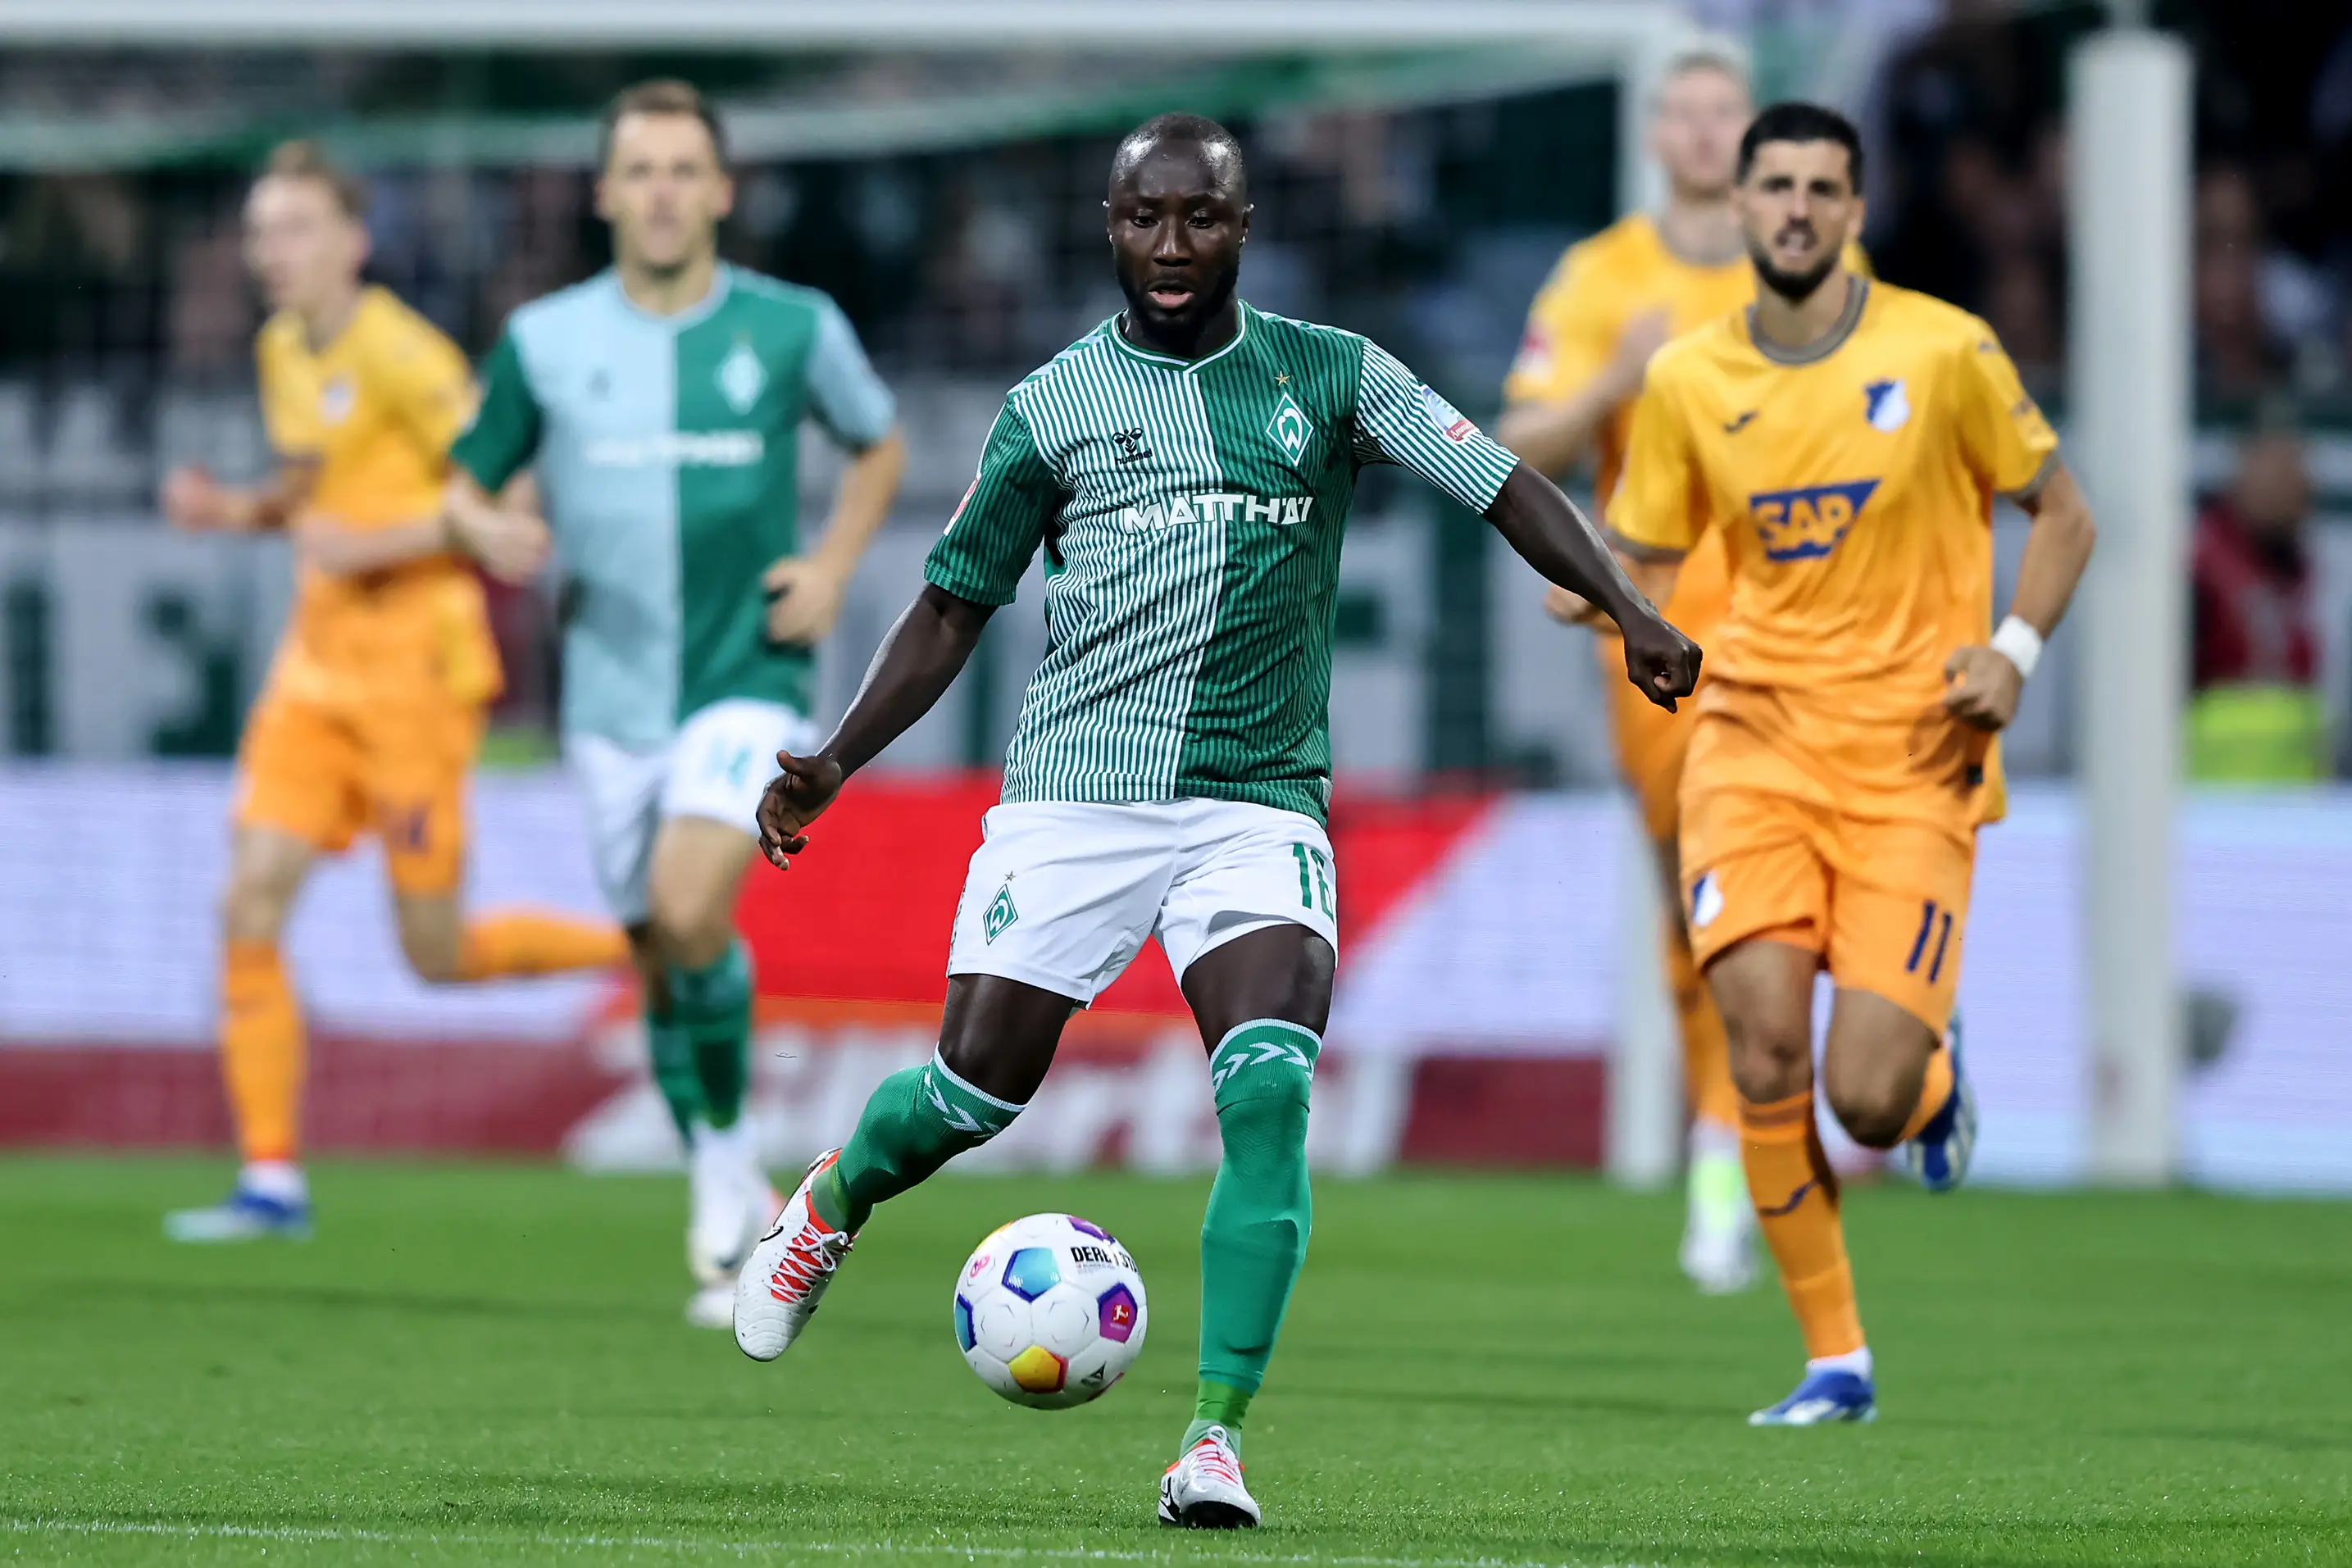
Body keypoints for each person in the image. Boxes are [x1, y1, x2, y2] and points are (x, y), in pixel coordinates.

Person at [730, 113, 1699, 1527]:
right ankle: (830, 1201)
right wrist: (834, 760)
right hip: (1076, 796)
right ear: (1109, 229)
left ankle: (1213, 1438)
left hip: (1257, 800)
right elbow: (950, 605)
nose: (1172, 244)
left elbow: (1498, 483)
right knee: (972, 1090)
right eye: (1145, 217)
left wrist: (1624, 605)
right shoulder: (1053, 404)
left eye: (1201, 216)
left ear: (1244, 226)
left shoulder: (1333, 374)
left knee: (1267, 1091)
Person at [1605, 102, 2096, 1425]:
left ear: (1855, 210)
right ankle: (1835, 1360)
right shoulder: (1687, 379)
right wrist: (1598, 592)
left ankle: (1925, 1075)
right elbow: (1645, 554)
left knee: (1863, 1099)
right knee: (1763, 1046)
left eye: (1822, 188)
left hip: (1911, 760)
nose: (1796, 208)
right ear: (1739, 206)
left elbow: (2062, 513)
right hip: (1748, 748)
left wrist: (2011, 653)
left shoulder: (1942, 350)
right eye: (1774, 185)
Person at [444, 80, 907, 1329]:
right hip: (606, 697)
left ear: (720, 191)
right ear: (604, 193)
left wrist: (831, 565)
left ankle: (726, 1174)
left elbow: (878, 443)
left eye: (682, 169)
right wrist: (485, 526)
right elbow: (467, 483)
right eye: (639, 170)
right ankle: (723, 1166)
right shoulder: (545, 340)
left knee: (691, 905)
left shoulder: (790, 325)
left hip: (746, 675)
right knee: (657, 942)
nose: (660, 192)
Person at [160, 143, 632, 1244]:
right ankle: (270, 1180)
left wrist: (380, 542)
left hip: (416, 678)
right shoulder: (283, 347)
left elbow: (505, 498)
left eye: (293, 228)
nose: (269, 251)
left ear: (352, 242)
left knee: (433, 954)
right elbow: (309, 492)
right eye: (259, 231)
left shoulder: (406, 356)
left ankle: (643, 947)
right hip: (313, 674)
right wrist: (232, 511)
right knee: (246, 904)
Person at [1496, 43, 1868, 1295]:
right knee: (1695, 902)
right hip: (1655, 633)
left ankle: (1745, 1137)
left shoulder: (1820, 272)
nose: (1705, 134)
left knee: (1793, 888)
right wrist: (1617, 375)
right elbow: (1515, 443)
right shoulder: (1601, 277)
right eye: (1686, 113)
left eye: (1726, 114)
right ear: (1658, 134)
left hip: (1799, 626)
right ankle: (1728, 1141)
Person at [2189, 421, 2327, 782]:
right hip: (2213, 783)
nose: (2292, 490)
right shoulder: (2200, 567)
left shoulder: (2298, 568)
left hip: (2296, 785)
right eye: (2278, 477)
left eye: (2297, 478)